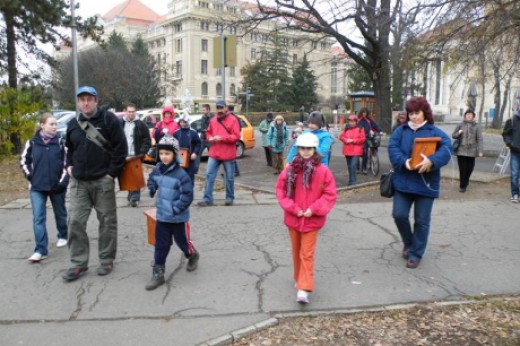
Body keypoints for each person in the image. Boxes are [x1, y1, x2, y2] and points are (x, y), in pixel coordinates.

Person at [62, 86, 128, 281]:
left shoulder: (109, 120)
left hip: (102, 181)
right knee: (74, 222)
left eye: (89, 99)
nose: (86, 103)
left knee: (107, 222)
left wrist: (111, 174)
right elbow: (69, 149)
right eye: (82, 99)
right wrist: (69, 165)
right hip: (79, 183)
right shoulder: (73, 124)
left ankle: (106, 259)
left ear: (97, 100)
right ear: (78, 102)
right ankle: (78, 263)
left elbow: (120, 149)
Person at [388, 96, 451, 269]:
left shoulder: (434, 131)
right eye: (411, 113)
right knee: (399, 215)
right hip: (403, 182)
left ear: (425, 113)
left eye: (417, 113)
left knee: (421, 221)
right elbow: (392, 148)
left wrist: (432, 160)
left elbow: (447, 147)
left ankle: (416, 253)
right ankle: (408, 243)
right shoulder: (401, 131)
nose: (414, 117)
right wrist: (405, 162)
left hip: (426, 183)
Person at [275, 132, 337, 304]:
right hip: (294, 218)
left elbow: (329, 194)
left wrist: (314, 209)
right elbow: (280, 190)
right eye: (303, 148)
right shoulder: (290, 170)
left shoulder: (323, 171)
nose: (306, 151)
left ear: (314, 149)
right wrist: (293, 208)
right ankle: (299, 278)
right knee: (296, 251)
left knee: (307, 253)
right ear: (298, 149)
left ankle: (304, 287)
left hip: (312, 219)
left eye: (309, 148)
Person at [146, 135, 198, 290]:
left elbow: (188, 195)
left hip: (177, 217)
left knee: (182, 242)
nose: (164, 157)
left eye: (167, 154)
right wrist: (152, 187)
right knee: (161, 244)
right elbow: (152, 179)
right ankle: (158, 272)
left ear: (174, 155)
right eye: (161, 153)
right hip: (162, 216)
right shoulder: (158, 170)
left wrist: (176, 209)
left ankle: (192, 254)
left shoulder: (181, 175)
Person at [20, 114, 69, 262]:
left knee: (60, 213)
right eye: (51, 124)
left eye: (55, 124)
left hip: (57, 186)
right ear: (42, 125)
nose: (55, 127)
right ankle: (41, 249)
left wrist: (62, 183)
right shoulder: (32, 143)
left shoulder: (60, 142)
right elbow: (24, 161)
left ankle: (63, 235)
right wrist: (31, 177)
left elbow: (67, 164)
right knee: (38, 218)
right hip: (37, 187)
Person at [197, 100, 241, 207]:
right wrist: (210, 138)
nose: (220, 110)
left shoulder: (233, 120)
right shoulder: (213, 120)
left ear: (226, 108)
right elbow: (208, 132)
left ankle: (229, 198)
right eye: (218, 108)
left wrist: (222, 138)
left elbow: (236, 136)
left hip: (228, 154)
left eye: (221, 108)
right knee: (209, 175)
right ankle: (207, 199)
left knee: (229, 177)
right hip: (215, 153)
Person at [119, 102, 152, 207]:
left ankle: (135, 198)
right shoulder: (120, 123)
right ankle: (130, 194)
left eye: (133, 112)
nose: (131, 114)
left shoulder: (141, 124)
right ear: (125, 111)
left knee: (136, 176)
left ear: (135, 112)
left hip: (136, 155)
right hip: (124, 154)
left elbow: (147, 140)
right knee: (127, 176)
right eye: (129, 112)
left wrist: (142, 152)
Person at [452, 109, 484, 192]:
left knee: (470, 168)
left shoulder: (477, 126)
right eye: (467, 114)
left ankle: (466, 181)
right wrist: (458, 132)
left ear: (473, 116)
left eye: (470, 114)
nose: (469, 116)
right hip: (461, 150)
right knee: (462, 169)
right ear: (465, 115)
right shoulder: (460, 124)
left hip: (472, 151)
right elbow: (453, 135)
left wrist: (480, 151)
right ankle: (463, 186)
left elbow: (480, 139)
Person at [173, 113, 201, 185]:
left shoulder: (193, 132)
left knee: (190, 178)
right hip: (179, 159)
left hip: (190, 159)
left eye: (184, 122)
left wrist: (195, 153)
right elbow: (173, 144)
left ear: (187, 122)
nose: (182, 124)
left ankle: (189, 192)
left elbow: (198, 143)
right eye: (181, 122)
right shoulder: (176, 133)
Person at [339, 114, 366, 186]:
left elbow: (362, 139)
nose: (351, 123)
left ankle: (353, 182)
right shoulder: (346, 128)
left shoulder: (360, 128)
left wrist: (353, 141)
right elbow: (341, 137)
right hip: (347, 150)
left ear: (356, 121)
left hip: (356, 150)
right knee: (349, 166)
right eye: (350, 121)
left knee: (353, 165)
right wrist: (346, 140)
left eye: (353, 121)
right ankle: (351, 180)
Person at [502, 110, 520, 203]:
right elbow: (506, 133)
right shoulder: (512, 120)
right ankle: (515, 194)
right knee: (514, 174)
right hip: (515, 152)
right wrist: (510, 143)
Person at [358, 108, 382, 174]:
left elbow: (375, 126)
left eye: (365, 112)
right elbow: (358, 129)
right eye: (363, 112)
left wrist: (380, 131)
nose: (364, 114)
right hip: (362, 138)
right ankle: (364, 167)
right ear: (361, 113)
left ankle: (372, 159)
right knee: (364, 152)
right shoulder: (359, 120)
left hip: (368, 138)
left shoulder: (369, 120)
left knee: (373, 147)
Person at [194, 104, 214, 173]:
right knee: (198, 154)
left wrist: (207, 131)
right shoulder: (203, 117)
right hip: (202, 139)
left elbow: (212, 128)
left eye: (204, 110)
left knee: (212, 156)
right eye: (202, 110)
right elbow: (202, 128)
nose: (202, 111)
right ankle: (195, 170)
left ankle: (210, 171)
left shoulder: (213, 117)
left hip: (210, 140)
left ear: (208, 110)